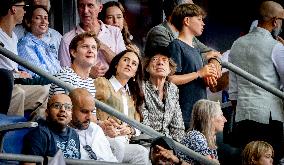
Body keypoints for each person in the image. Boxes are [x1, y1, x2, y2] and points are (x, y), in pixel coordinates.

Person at [228, 1, 284, 162]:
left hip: (243, 116)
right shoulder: (276, 47)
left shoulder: (237, 44)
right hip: (270, 116)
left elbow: (233, 90)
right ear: (275, 21)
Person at [167, 3, 218, 129]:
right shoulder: (176, 45)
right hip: (184, 115)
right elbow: (170, 79)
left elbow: (196, 79)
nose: (203, 23)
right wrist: (199, 73)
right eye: (199, 19)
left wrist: (208, 79)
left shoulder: (196, 50)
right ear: (187, 21)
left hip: (199, 115)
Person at [94, 49, 149, 164]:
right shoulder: (102, 83)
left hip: (124, 142)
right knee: (117, 145)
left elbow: (138, 124)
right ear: (116, 65)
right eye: (126, 60)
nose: (129, 64)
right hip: (102, 139)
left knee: (142, 152)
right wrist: (101, 123)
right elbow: (86, 105)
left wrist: (130, 129)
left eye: (134, 64)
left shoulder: (132, 95)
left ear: (135, 73)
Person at [0, 0, 49, 116]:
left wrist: (19, 73)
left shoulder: (14, 37)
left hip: (15, 84)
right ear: (13, 9)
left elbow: (13, 69)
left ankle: (36, 129)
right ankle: (10, 130)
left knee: (46, 91)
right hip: (3, 88)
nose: (25, 11)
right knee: (18, 92)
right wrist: (16, 75)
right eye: (23, 7)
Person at [58, 0, 126, 78]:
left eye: (90, 5)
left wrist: (104, 48)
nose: (85, 11)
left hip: (114, 88)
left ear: (100, 8)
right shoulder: (67, 39)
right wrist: (88, 72)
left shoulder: (114, 32)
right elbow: (64, 76)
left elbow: (124, 67)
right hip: (84, 89)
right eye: (81, 6)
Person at [22, 93, 81, 165]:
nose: (63, 110)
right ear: (47, 112)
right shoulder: (39, 134)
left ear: (71, 114)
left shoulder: (74, 134)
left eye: (67, 107)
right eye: (57, 106)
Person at [141, 46, 185, 142]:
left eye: (164, 60)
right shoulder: (141, 87)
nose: (160, 63)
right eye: (155, 59)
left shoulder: (173, 89)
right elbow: (143, 124)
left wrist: (178, 149)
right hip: (147, 141)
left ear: (169, 69)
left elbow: (178, 126)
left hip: (168, 143)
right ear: (147, 68)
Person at [69, 88, 118, 162]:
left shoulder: (96, 129)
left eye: (91, 111)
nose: (89, 117)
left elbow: (111, 160)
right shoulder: (60, 135)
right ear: (70, 109)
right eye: (84, 111)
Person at [17, 5, 61, 79]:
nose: (43, 22)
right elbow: (39, 73)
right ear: (28, 22)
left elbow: (58, 70)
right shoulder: (25, 44)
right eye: (38, 18)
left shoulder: (44, 45)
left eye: (45, 18)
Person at [49, 32, 98, 98]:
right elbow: (62, 108)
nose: (90, 50)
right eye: (85, 46)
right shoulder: (65, 76)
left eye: (94, 47)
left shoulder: (90, 82)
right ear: (73, 52)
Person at [179, 99, 227, 164]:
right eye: (221, 115)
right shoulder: (196, 136)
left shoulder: (207, 138)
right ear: (210, 118)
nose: (225, 120)